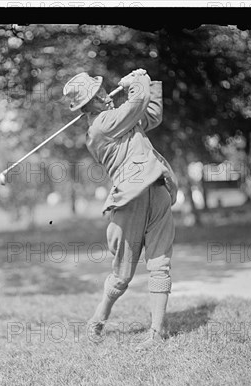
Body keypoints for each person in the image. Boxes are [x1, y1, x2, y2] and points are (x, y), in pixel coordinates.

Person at [63, 69, 178, 351]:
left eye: (101, 90)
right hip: (130, 199)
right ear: (86, 107)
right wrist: (133, 83)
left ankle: (156, 332)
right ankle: (98, 319)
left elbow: (151, 114)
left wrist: (150, 81)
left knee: (161, 263)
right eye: (96, 95)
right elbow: (137, 103)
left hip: (157, 189)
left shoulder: (121, 120)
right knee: (123, 274)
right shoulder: (101, 126)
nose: (104, 95)